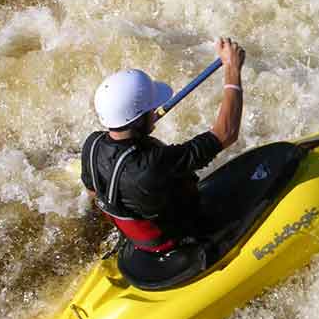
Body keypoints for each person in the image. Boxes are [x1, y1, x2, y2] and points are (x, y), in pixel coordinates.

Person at [81, 37, 245, 287]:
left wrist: (141, 130)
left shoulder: (91, 146)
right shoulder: (154, 165)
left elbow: (95, 191)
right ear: (138, 120)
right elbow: (226, 133)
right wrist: (232, 69)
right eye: (151, 110)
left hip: (142, 241)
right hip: (182, 240)